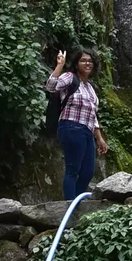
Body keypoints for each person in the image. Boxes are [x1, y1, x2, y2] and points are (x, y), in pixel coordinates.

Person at [46, 47, 108, 199]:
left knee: (88, 171)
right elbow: (50, 86)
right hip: (70, 126)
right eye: (83, 60)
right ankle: (69, 206)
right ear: (76, 64)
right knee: (73, 169)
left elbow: (93, 115)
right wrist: (60, 65)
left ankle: (76, 203)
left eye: (90, 61)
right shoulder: (70, 77)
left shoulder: (91, 88)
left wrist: (99, 139)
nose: (87, 63)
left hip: (87, 131)